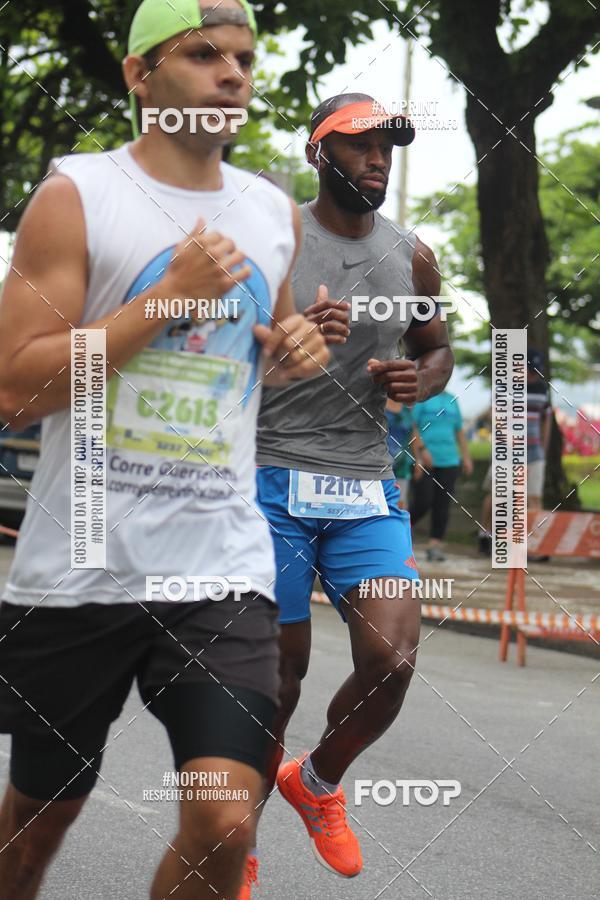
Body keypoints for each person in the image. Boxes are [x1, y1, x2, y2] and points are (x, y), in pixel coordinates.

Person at [0, 2, 329, 899]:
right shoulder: (77, 194)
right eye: (204, 54)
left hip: (219, 565)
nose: (233, 74)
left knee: (226, 819)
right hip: (80, 567)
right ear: (141, 76)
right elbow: (16, 387)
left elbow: (252, 355)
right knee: (33, 832)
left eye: (246, 59)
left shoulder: (268, 211)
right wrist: (165, 296)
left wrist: (292, 349)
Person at [250, 93, 453, 890]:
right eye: (360, 145)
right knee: (276, 678)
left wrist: (417, 378)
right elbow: (219, 353)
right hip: (268, 476)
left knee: (393, 659)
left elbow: (437, 347)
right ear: (318, 153)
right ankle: (236, 832)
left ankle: (319, 779)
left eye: (387, 148)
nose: (378, 159)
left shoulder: (414, 256)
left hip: (364, 482)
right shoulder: (274, 243)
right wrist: (288, 343)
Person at [409, 390, 473, 561]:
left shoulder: (452, 399)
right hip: (425, 461)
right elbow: (412, 427)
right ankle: (400, 532)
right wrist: (420, 454)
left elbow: (459, 430)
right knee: (423, 501)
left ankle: (435, 545)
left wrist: (466, 457)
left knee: (442, 504)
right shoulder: (422, 397)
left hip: (450, 460)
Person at [385, 398, 423, 508]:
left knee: (400, 505)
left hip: (402, 466)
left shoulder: (407, 411)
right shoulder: (378, 406)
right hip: (380, 465)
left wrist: (418, 460)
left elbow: (413, 436)